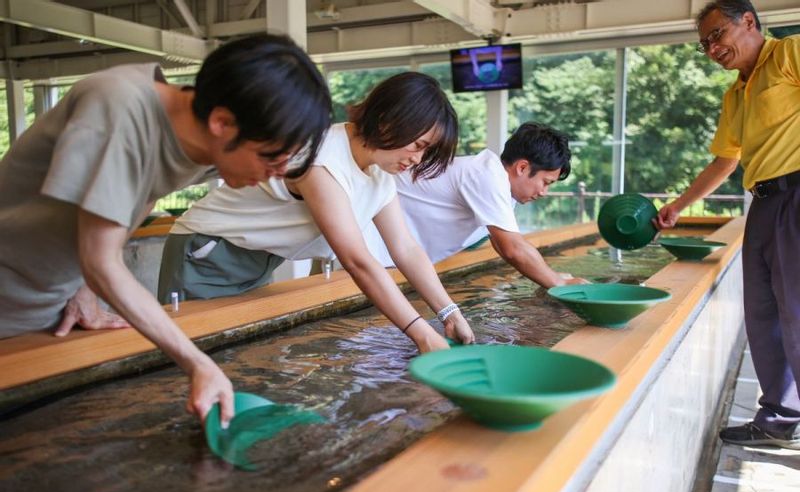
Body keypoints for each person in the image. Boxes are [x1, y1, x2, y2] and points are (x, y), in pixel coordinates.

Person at [0, 34, 332, 428]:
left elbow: (133, 203)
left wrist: (82, 289)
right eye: (269, 159)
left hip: (46, 308)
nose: (275, 176)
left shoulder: (201, 144)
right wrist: (196, 362)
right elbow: (102, 261)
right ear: (222, 122)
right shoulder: (117, 109)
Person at [158, 72, 475, 352]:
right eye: (418, 145)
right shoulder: (324, 157)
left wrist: (450, 313)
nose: (418, 160)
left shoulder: (379, 174)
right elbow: (357, 260)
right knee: (194, 354)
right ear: (390, 121)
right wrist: (420, 333)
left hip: (257, 258)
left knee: (239, 355)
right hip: (208, 252)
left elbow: (406, 249)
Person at [655, 0, 800, 449]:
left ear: (749, 22)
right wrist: (678, 206)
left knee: (798, 311)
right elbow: (725, 160)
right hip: (762, 201)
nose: (712, 48)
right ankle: (779, 416)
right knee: (763, 312)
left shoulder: (789, 54)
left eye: (717, 35)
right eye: (705, 44)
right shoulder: (735, 93)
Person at [364, 122, 588, 289]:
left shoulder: (502, 189)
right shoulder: (486, 175)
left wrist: (552, 277)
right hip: (361, 251)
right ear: (522, 167)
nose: (543, 192)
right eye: (545, 183)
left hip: (390, 260)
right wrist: (559, 284)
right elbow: (512, 249)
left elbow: (502, 246)